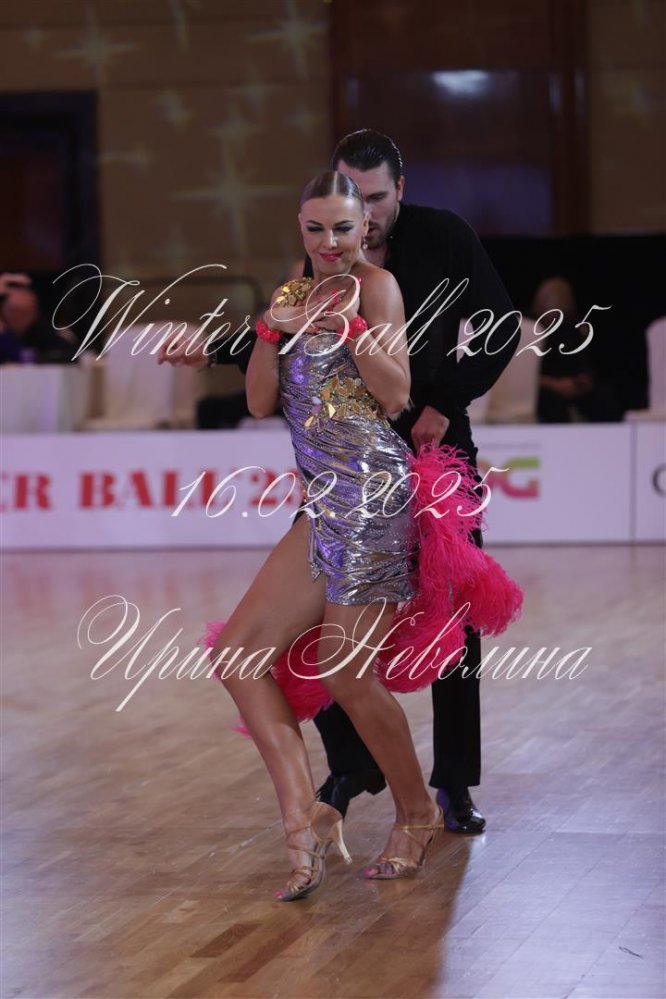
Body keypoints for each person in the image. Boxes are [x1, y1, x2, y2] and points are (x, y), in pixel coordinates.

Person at [158, 171, 522, 901]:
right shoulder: (290, 294)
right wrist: (271, 330)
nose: (330, 243)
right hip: (321, 503)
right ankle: (303, 821)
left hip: (376, 498)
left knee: (346, 673)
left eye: (344, 228)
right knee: (238, 654)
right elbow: (260, 401)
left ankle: (417, 812)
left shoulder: (378, 289)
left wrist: (349, 329)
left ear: (366, 229)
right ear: (300, 229)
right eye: (316, 229)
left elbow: (395, 394)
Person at [532, 276, 622, 423]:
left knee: (604, 395)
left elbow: (585, 368)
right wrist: (556, 385)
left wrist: (580, 382)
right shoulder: (534, 333)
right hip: (548, 388)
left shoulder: (574, 331)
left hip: (573, 387)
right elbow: (528, 376)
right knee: (550, 401)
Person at [0, 283, 78, 365]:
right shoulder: (4, 334)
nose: (19, 317)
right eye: (14, 311)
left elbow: (71, 353)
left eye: (27, 312)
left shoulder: (41, 332)